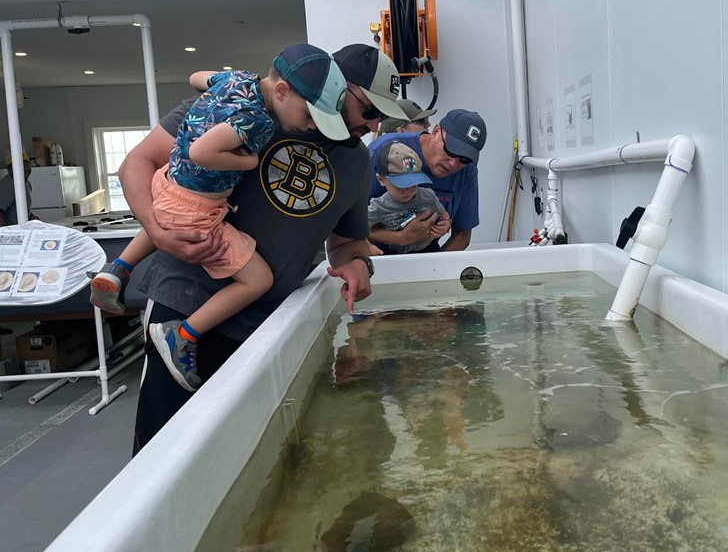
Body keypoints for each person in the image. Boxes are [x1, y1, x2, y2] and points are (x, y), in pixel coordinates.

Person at [119, 43, 408, 454]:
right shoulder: (231, 109)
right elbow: (138, 162)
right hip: (184, 303)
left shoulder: (356, 162)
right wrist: (156, 229)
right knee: (165, 446)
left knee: (246, 451)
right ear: (338, 90)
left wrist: (358, 263)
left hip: (267, 328)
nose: (375, 126)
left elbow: (346, 240)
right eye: (369, 111)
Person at [90, 42, 348, 392]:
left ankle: (119, 268)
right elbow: (202, 151)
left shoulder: (236, 79)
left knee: (169, 215)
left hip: (168, 184)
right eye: (308, 116)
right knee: (257, 279)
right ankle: (181, 334)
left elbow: (197, 77)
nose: (308, 126)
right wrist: (248, 161)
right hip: (199, 208)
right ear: (283, 91)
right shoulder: (257, 121)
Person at [366, 109, 486, 253]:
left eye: (464, 159)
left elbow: (462, 234)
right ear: (435, 132)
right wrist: (401, 237)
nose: (453, 164)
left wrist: (433, 268)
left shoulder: (467, 170)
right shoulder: (383, 153)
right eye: (450, 150)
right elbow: (347, 228)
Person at [367, 141, 448, 254]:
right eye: (401, 185)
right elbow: (357, 229)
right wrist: (367, 247)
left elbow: (443, 212)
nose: (408, 191)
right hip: (395, 252)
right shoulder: (378, 207)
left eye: (413, 184)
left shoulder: (428, 195)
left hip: (429, 247)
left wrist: (445, 222)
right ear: (381, 180)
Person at [0, 155, 38, 226]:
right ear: (9, 170)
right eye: (20, 166)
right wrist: (6, 232)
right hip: (12, 231)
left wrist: (30, 216)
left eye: (27, 165)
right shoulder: (8, 184)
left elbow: (17, 208)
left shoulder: (25, 183)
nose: (25, 168)